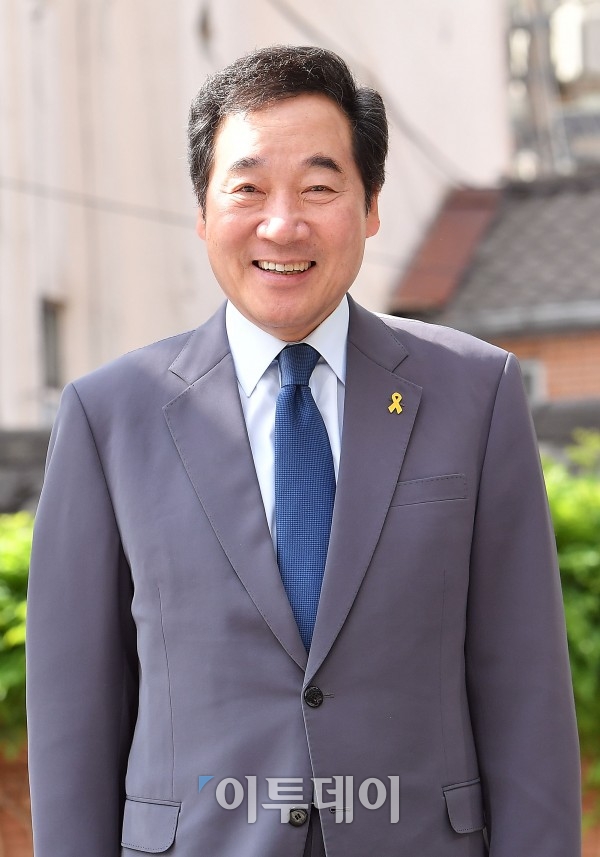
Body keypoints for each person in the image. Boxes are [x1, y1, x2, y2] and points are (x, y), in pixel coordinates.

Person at [26, 44, 581, 857]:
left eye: (319, 188)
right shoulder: (109, 417)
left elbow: (525, 686)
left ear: (372, 205)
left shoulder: (476, 394)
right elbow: (73, 711)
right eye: (247, 188)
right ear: (203, 209)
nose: (282, 224)